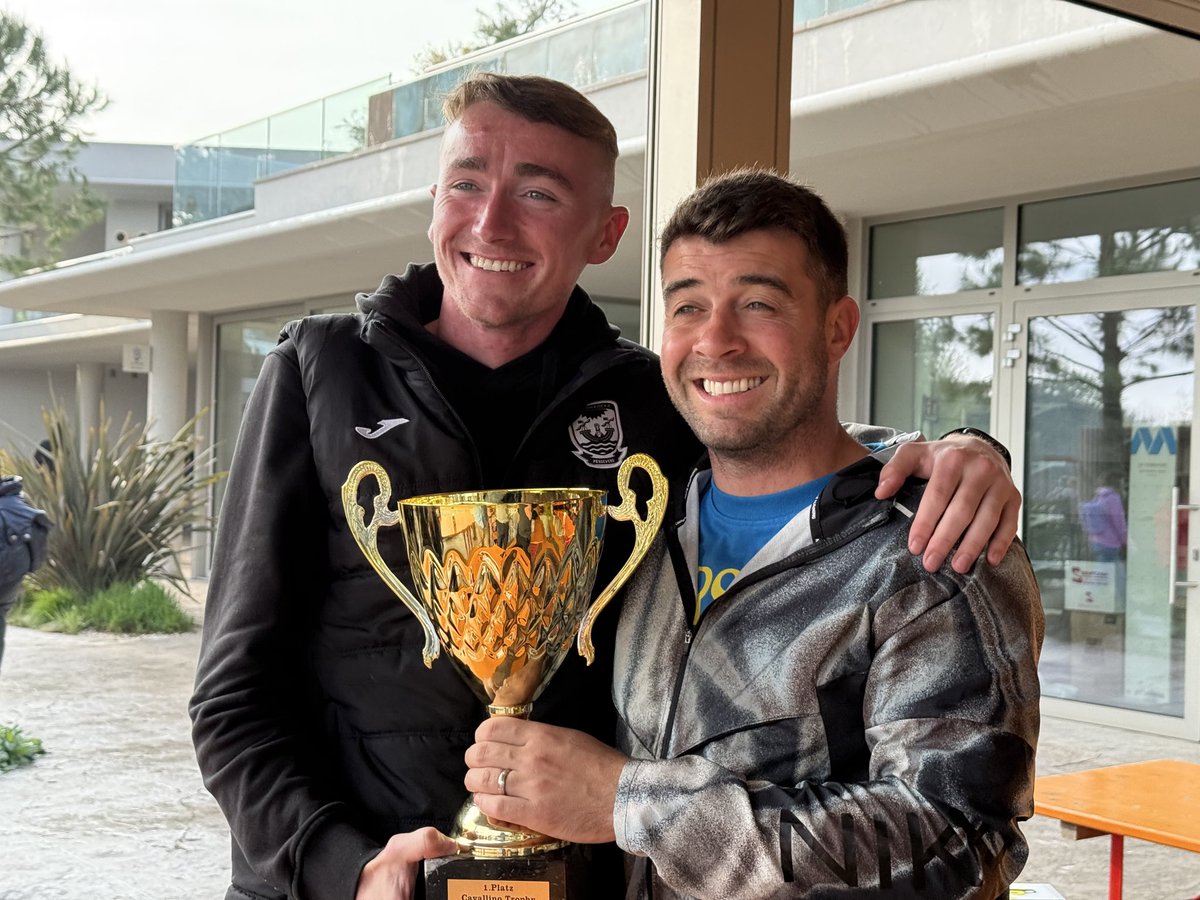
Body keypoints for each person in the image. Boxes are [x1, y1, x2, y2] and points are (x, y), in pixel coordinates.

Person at [189, 75, 1021, 900]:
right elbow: (233, 696)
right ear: (435, 200)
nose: (491, 221)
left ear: (604, 233)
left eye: (539, 193)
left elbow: (778, 442)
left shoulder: (646, 403)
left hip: (577, 879)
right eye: (466, 184)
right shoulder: (319, 372)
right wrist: (345, 871)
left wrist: (948, 455)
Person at [464, 169, 1044, 898]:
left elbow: (956, 844)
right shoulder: (639, 526)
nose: (717, 341)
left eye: (758, 303)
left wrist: (631, 804)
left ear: (837, 327)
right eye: (688, 307)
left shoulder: (934, 547)